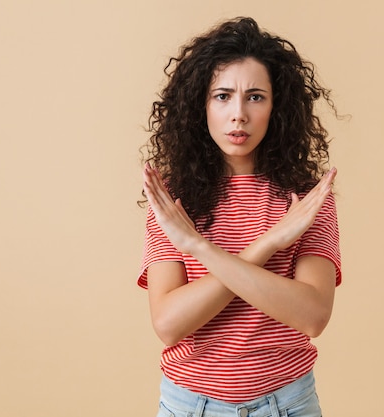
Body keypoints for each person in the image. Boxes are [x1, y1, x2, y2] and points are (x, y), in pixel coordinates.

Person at [138, 16, 341, 417]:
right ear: (201, 105)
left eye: (255, 97)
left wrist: (197, 247)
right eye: (223, 96)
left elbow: (313, 316)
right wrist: (268, 244)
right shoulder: (173, 201)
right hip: (189, 407)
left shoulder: (306, 199)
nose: (238, 115)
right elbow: (169, 324)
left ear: (276, 106)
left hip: (288, 405)